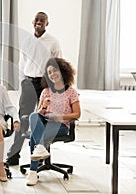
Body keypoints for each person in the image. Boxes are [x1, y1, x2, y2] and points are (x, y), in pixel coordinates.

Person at [7, 11, 62, 165]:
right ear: (33, 22)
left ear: (47, 23)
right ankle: (14, 155)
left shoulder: (53, 42)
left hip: (46, 84)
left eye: (42, 20)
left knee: (45, 117)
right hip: (28, 83)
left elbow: (58, 65)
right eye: (37, 20)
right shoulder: (27, 41)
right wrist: (23, 82)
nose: (39, 22)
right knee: (23, 118)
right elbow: (22, 64)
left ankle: (44, 155)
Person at [26, 57, 81, 186]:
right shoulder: (45, 92)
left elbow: (77, 114)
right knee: (34, 116)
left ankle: (33, 172)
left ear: (62, 71)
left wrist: (61, 117)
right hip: (45, 121)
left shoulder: (71, 92)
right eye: (49, 72)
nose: (52, 74)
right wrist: (44, 106)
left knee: (35, 136)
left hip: (60, 124)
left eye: (54, 70)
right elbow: (39, 113)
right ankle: (40, 148)